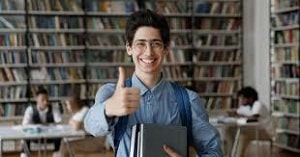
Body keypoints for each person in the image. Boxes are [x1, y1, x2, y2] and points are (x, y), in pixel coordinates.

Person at [84, 9, 222, 157]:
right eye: (140, 44)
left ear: (166, 48)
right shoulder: (111, 94)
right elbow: (91, 126)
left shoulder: (189, 100)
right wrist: (109, 108)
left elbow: (213, 152)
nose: (148, 52)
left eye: (155, 44)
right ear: (129, 48)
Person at [225, 86, 272, 157]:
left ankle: (238, 155)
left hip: (264, 132)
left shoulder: (258, 104)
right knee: (229, 130)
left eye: (242, 98)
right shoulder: (245, 107)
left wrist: (239, 116)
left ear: (250, 98)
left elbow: (254, 118)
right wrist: (235, 115)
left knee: (243, 134)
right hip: (253, 130)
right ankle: (230, 154)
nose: (240, 100)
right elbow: (239, 114)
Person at [21, 88, 62, 157]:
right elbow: (25, 124)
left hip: (50, 136)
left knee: (58, 135)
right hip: (35, 136)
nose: (45, 102)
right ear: (37, 99)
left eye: (47, 99)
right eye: (42, 100)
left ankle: (56, 153)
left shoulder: (54, 109)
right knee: (25, 136)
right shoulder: (30, 109)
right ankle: (24, 154)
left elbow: (59, 123)